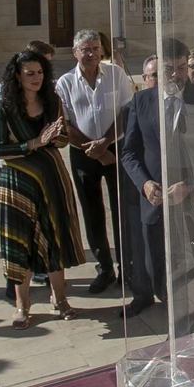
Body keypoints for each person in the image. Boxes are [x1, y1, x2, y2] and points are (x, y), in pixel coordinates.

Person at [119, 41, 194, 326]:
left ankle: (184, 328)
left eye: (181, 68)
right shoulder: (141, 102)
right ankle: (171, 313)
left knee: (190, 269)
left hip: (191, 204)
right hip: (154, 203)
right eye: (169, 69)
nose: (177, 75)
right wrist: (144, 184)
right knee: (159, 269)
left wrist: (189, 187)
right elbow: (129, 152)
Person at [0, 50, 85, 328]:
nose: (36, 78)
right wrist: (33, 143)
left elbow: (62, 140)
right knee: (18, 242)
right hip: (16, 183)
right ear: (17, 76)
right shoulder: (5, 107)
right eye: (29, 73)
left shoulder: (52, 100)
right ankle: (23, 305)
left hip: (51, 179)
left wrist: (56, 137)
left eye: (40, 72)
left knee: (54, 236)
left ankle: (60, 298)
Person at [56, 29, 133, 294]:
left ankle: (127, 267)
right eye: (85, 49)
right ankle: (104, 268)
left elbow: (127, 112)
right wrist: (95, 149)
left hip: (115, 149)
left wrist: (105, 143)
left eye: (95, 48)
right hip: (83, 153)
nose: (91, 54)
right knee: (92, 213)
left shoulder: (116, 75)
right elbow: (64, 123)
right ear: (75, 52)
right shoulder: (65, 83)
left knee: (121, 211)